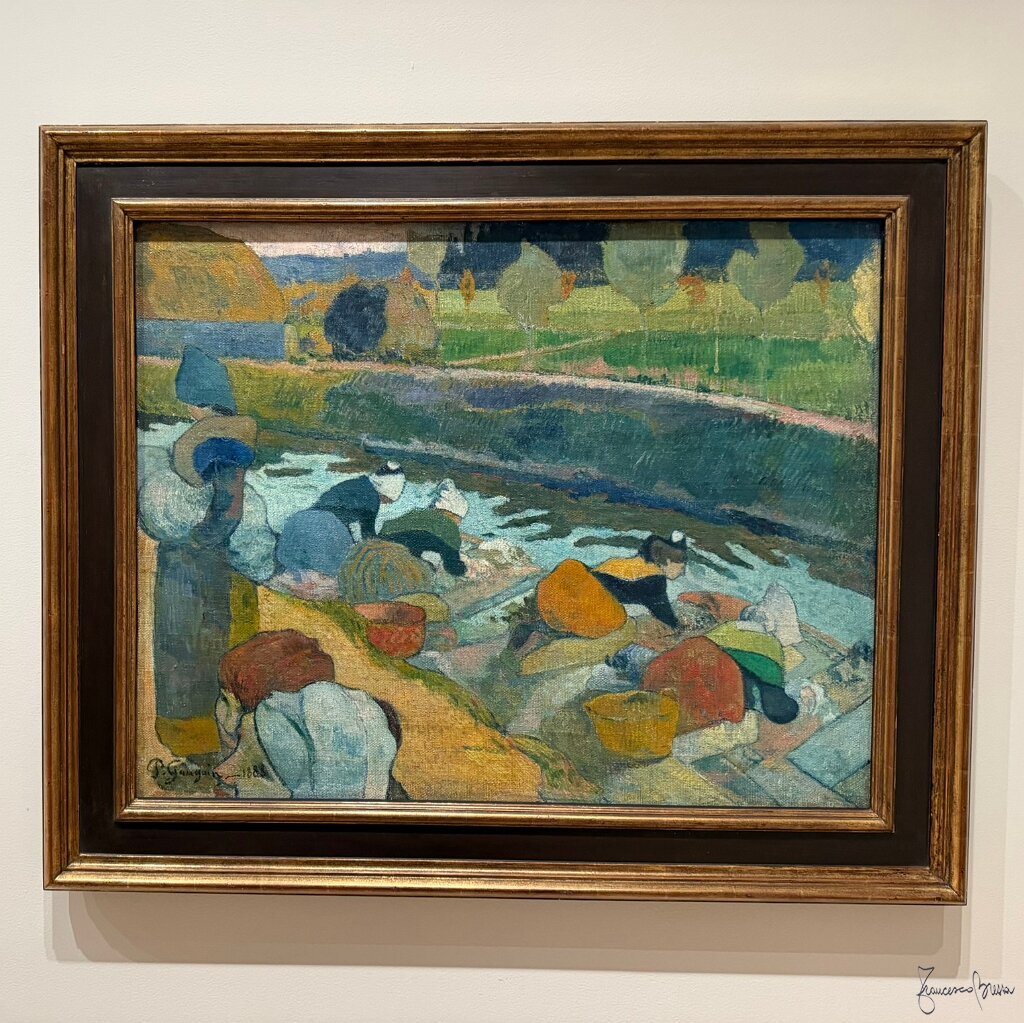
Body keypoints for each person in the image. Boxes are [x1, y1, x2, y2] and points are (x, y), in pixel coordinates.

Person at [140, 346, 259, 759]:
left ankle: (195, 735)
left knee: (188, 641)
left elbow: (229, 506)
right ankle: (195, 731)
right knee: (193, 640)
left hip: (197, 558)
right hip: (199, 554)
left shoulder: (222, 443)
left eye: (187, 398)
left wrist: (196, 539)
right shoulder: (217, 436)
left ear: (197, 398)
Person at [591, 531, 688, 629]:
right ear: (668, 561)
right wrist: (680, 627)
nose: (683, 573)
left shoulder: (615, 563)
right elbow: (665, 616)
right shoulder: (655, 581)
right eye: (682, 568)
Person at [379, 478, 469, 577]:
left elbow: (409, 541)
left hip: (381, 544)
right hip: (397, 559)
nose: (459, 524)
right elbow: (453, 568)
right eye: (460, 519)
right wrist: (466, 568)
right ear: (453, 514)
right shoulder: (449, 528)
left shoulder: (415, 514)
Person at [311, 460, 405, 543]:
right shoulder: (372, 498)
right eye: (389, 499)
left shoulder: (358, 484)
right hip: (323, 527)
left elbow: (342, 515)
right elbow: (368, 535)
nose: (389, 503)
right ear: (386, 490)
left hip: (308, 517)